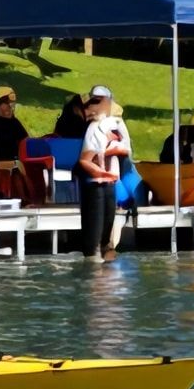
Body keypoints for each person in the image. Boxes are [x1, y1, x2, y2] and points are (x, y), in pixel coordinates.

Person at [77, 84, 128, 261]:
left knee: (106, 234)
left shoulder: (114, 127)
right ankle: (94, 262)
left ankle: (106, 257)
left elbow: (125, 150)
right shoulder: (93, 129)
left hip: (109, 184)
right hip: (95, 185)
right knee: (95, 235)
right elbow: (85, 159)